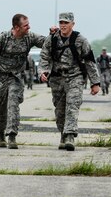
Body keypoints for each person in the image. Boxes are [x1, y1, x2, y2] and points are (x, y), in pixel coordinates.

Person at [0, 13, 55, 149]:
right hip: (0, 77)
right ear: (16, 27)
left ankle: (12, 136)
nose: (29, 27)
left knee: (13, 104)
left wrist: (52, 34)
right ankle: (1, 134)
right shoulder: (4, 38)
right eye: (26, 25)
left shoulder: (30, 37)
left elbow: (46, 43)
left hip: (16, 77)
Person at [39, 12, 100, 151]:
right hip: (57, 78)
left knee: (72, 105)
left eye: (66, 23)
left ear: (73, 24)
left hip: (75, 77)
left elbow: (90, 61)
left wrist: (95, 83)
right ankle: (63, 134)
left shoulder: (81, 40)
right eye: (61, 22)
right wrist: (43, 71)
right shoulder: (52, 39)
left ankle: (70, 136)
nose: (63, 25)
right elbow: (44, 57)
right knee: (60, 110)